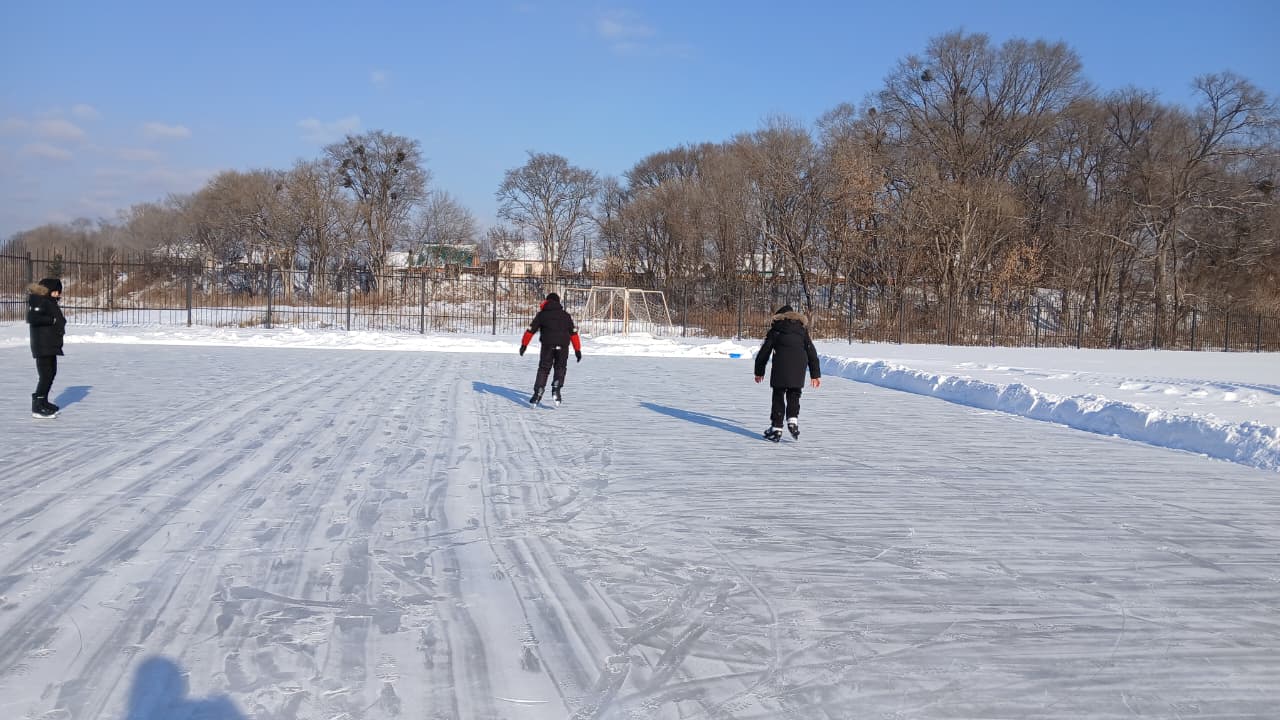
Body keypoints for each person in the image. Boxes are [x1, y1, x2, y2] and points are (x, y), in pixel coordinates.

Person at [753, 304, 820, 441]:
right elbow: (811, 351)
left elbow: (765, 351)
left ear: (779, 317)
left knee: (778, 394)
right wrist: (815, 374)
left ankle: (776, 428)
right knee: (794, 393)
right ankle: (792, 420)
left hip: (781, 366)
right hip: (798, 367)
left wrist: (759, 371)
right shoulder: (802, 330)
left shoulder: (776, 329)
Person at [519, 292, 582, 405]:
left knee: (544, 369)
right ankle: (557, 387)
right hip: (563, 347)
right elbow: (573, 333)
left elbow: (530, 331)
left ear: (547, 301)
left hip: (547, 346)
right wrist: (577, 350)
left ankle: (538, 391)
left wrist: (524, 345)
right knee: (560, 367)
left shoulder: (542, 315)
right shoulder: (565, 315)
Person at [27, 277, 67, 419]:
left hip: (50, 344)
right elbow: (32, 318)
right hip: (43, 345)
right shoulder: (39, 301)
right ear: (49, 290)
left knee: (51, 373)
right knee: (46, 375)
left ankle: (43, 400)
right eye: (56, 291)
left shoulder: (48, 301)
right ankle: (37, 406)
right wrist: (53, 320)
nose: (58, 294)